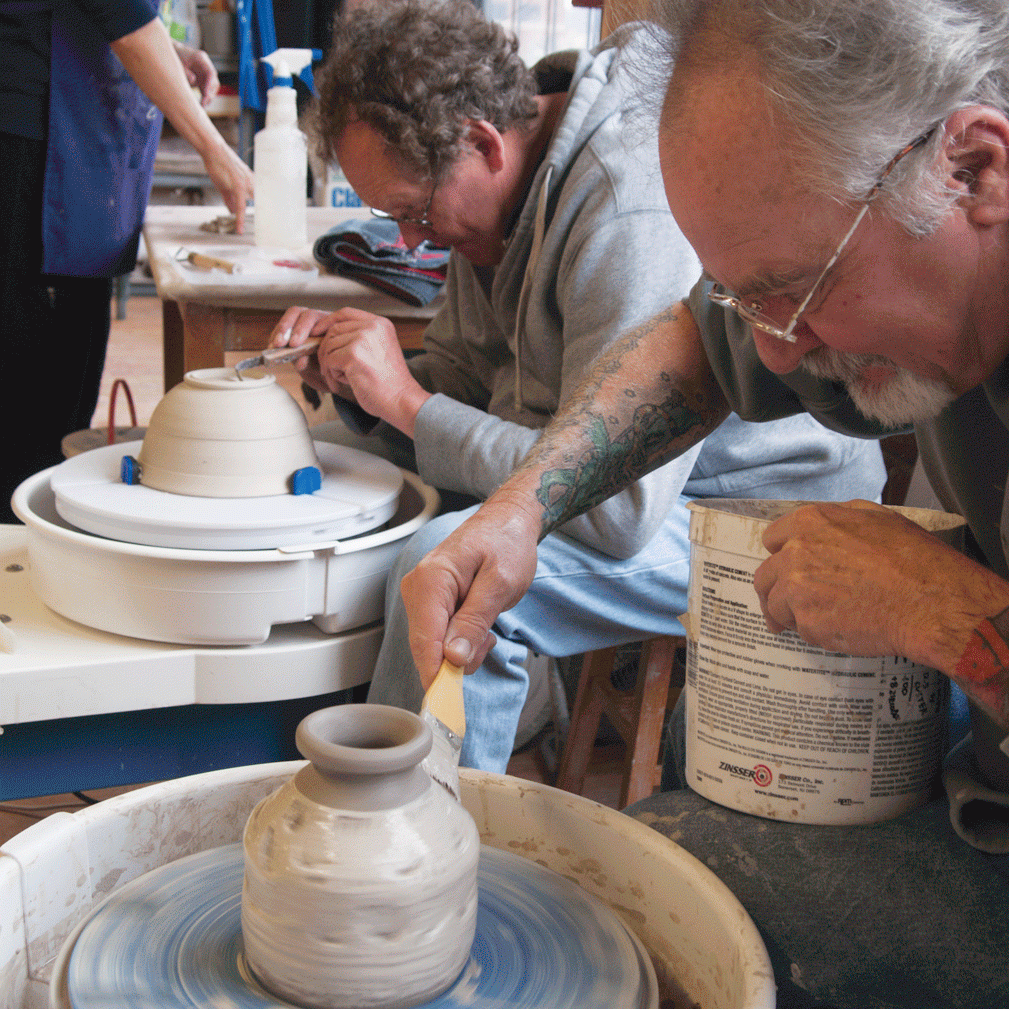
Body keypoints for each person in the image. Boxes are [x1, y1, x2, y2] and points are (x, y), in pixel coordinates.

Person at [398, 1, 1009, 1004]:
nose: (772, 349)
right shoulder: (842, 258)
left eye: (794, 288)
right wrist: (520, 509)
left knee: (647, 897)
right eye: (745, 296)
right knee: (697, 759)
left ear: (975, 170)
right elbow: (699, 350)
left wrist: (943, 613)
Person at [270, 0, 888, 772]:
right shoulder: (490, 205)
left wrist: (404, 400)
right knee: (314, 464)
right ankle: (435, 758)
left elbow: (620, 509)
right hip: (614, 491)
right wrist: (363, 384)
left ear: (480, 143)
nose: (407, 242)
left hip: (750, 508)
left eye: (412, 212)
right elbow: (464, 384)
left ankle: (417, 838)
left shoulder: (625, 201)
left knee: (448, 562)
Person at [1, 0, 253, 523]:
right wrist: (214, 147)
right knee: (32, 388)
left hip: (67, 128)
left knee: (67, 369)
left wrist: (171, 50)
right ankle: (18, 549)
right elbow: (123, 20)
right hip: (28, 136)